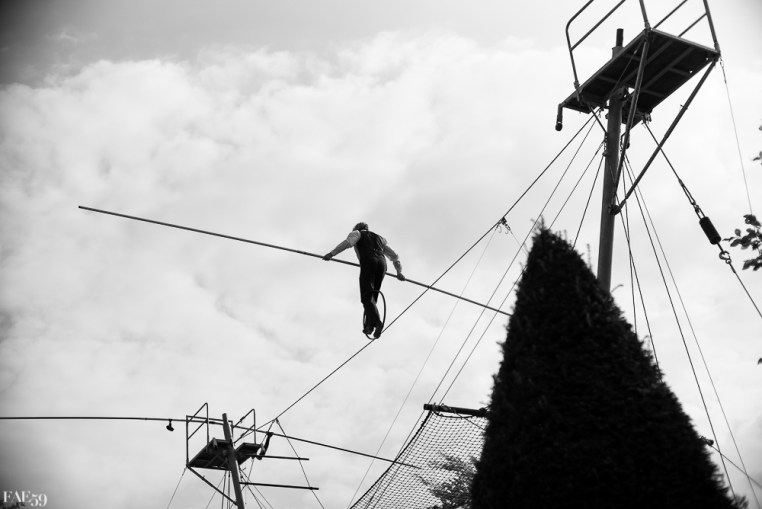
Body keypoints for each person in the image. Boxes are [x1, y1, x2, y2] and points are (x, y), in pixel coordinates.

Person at [323, 222, 405, 338]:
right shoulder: (380, 239)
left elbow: (347, 243)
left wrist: (331, 254)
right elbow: (395, 256)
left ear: (358, 228)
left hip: (369, 262)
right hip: (382, 265)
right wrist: (399, 272)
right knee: (372, 297)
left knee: (367, 296)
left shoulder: (357, 233)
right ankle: (369, 325)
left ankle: (377, 323)